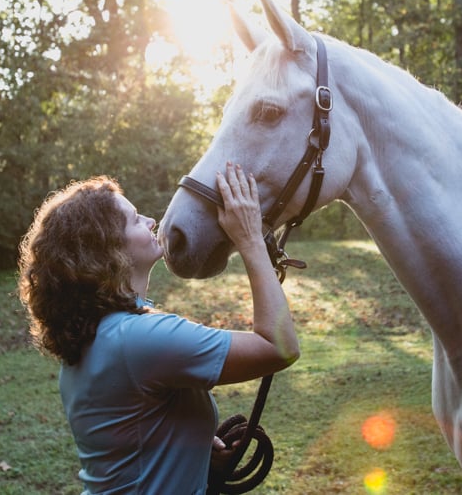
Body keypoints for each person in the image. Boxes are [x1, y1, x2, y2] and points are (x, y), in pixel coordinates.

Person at [17, 161, 300, 495]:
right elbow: (278, 346)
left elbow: (138, 435)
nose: (152, 222)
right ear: (109, 247)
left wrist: (193, 452)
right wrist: (250, 238)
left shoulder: (92, 341)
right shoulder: (138, 339)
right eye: (136, 219)